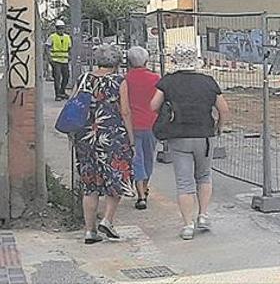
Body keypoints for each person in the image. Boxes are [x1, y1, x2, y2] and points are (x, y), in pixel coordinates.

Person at [150, 45, 230, 241]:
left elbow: (153, 105)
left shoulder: (168, 82)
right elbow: (224, 109)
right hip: (204, 135)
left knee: (184, 182)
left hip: (178, 136)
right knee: (203, 176)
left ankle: (187, 225)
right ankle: (203, 216)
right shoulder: (208, 82)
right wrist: (219, 126)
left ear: (176, 59)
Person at [72, 44, 135, 244]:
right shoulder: (119, 81)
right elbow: (125, 111)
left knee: (90, 183)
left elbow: (74, 103)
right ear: (117, 62)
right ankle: (107, 220)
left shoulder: (83, 79)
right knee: (116, 177)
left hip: (86, 137)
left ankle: (89, 231)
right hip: (112, 136)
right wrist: (131, 137)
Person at [121, 46, 160, 210]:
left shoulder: (125, 79)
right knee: (148, 158)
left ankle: (141, 195)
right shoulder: (156, 78)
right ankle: (145, 187)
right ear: (146, 60)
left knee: (136, 158)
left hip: (132, 124)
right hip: (152, 123)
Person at [47, 20, 72, 101]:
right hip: (56, 60)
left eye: (61, 28)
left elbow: (69, 48)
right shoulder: (52, 37)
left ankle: (62, 91)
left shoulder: (67, 37)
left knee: (66, 77)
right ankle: (58, 94)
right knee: (57, 78)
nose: (60, 30)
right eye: (58, 28)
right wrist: (50, 59)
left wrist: (69, 56)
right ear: (56, 29)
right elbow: (47, 47)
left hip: (65, 60)